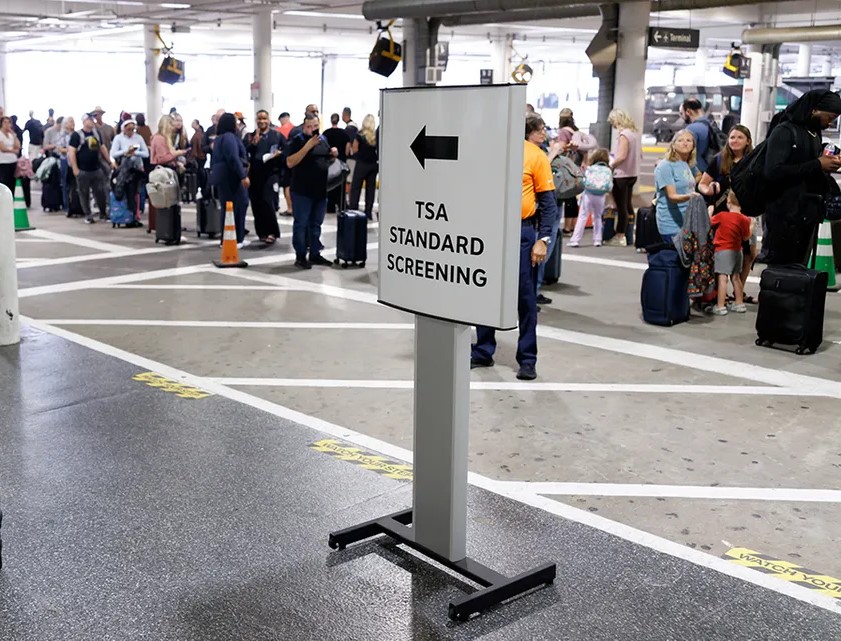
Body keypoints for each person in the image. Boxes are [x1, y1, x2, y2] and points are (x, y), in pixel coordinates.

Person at [471, 113, 559, 381]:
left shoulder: (535, 156)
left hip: (521, 231)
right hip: (489, 230)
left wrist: (543, 240)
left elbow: (548, 203)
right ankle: (483, 350)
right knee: (485, 292)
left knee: (525, 297)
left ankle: (527, 358)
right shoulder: (488, 151)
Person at [760, 90, 841, 265]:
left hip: (806, 215)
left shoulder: (813, 133)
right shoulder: (785, 131)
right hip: (783, 217)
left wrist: (828, 161)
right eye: (831, 116)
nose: (831, 122)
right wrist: (818, 164)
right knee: (780, 276)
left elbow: (809, 166)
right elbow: (773, 171)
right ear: (814, 110)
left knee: (798, 274)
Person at [698, 124, 756, 299]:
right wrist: (708, 190)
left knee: (749, 253)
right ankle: (719, 292)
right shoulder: (719, 160)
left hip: (746, 214)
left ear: (748, 141)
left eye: (740, 137)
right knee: (723, 253)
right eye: (732, 137)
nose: (735, 141)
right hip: (723, 216)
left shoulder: (754, 161)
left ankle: (739, 290)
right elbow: (702, 183)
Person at [286, 112, 338, 269]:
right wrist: (307, 146)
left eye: (315, 126)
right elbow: (290, 162)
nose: (312, 130)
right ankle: (300, 255)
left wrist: (333, 155)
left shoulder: (323, 140)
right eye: (309, 127)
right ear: (304, 127)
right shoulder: (297, 140)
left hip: (320, 190)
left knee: (316, 224)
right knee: (301, 223)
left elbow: (325, 159)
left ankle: (315, 253)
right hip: (302, 191)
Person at [707, 191, 752, 316]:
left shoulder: (722, 216)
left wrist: (710, 211)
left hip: (723, 250)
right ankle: (739, 303)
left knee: (722, 278)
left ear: (728, 202)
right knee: (736, 277)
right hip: (738, 251)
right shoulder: (744, 219)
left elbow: (708, 222)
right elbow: (746, 237)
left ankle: (720, 305)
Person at [209, 112, 250, 248]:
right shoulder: (229, 138)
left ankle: (227, 238)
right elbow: (233, 158)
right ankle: (237, 238)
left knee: (228, 208)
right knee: (238, 206)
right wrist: (242, 176)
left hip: (223, 178)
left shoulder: (219, 139)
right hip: (232, 178)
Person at [654, 129, 701, 243]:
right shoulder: (665, 166)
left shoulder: (688, 164)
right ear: (673, 145)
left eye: (689, 140)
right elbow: (672, 197)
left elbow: (699, 175)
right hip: (671, 224)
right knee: (674, 258)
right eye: (680, 140)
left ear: (693, 146)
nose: (685, 143)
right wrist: (690, 196)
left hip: (688, 221)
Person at [245, 109, 284, 244]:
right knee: (256, 204)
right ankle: (261, 232)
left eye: (264, 118)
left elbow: (285, 151)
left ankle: (272, 231)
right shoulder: (250, 136)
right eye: (259, 119)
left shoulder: (276, 136)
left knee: (268, 202)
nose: (262, 121)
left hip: (270, 174)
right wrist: (253, 144)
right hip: (255, 174)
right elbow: (244, 153)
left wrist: (279, 155)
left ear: (268, 120)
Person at [606, 108, 641, 247]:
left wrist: (611, 165)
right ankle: (628, 234)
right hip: (632, 174)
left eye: (613, 122)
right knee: (627, 205)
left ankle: (620, 235)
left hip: (622, 174)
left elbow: (621, 156)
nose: (613, 125)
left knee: (621, 207)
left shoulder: (624, 135)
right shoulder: (634, 134)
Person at [68, 114, 112, 224]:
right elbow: (71, 152)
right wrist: (75, 168)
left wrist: (109, 161)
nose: (92, 122)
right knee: (84, 194)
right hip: (83, 170)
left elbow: (102, 148)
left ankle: (103, 213)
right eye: (89, 120)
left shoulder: (97, 134)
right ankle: (88, 215)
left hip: (96, 169)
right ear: (84, 121)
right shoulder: (76, 135)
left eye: (92, 120)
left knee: (100, 193)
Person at [568, 148, 612, 248]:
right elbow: (610, 185)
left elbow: (584, 181)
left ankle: (575, 240)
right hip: (601, 195)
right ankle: (597, 240)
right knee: (597, 217)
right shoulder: (608, 170)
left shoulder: (590, 169)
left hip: (588, 194)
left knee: (582, 216)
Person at [556, 108, 583, 236]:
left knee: (566, 197)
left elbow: (560, 147)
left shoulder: (563, 132)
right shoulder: (575, 131)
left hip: (566, 167)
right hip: (576, 165)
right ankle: (572, 226)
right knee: (573, 197)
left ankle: (567, 228)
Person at [348, 114, 379, 220]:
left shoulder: (359, 135)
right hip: (373, 165)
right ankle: (368, 212)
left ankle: (353, 210)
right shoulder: (376, 136)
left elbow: (355, 149)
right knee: (370, 190)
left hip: (361, 164)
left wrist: (357, 157)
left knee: (356, 188)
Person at [323, 113, 349, 214]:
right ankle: (342, 206)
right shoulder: (344, 134)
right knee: (341, 186)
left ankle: (330, 207)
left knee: (330, 185)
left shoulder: (326, 133)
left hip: (329, 163)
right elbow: (347, 151)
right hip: (341, 164)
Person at [679, 98, 713, 173]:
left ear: (688, 112)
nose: (681, 117)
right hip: (708, 170)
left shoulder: (691, 129)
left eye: (681, 113)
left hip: (695, 171)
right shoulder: (710, 125)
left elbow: (682, 152)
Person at [0, 116, 20, 194]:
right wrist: (14, 151)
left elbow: (18, 146)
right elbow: (3, 149)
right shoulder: (0, 134)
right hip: (3, 161)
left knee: (12, 181)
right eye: (5, 122)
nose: (7, 124)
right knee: (5, 181)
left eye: (9, 122)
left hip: (13, 161)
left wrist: (14, 135)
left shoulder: (11, 134)